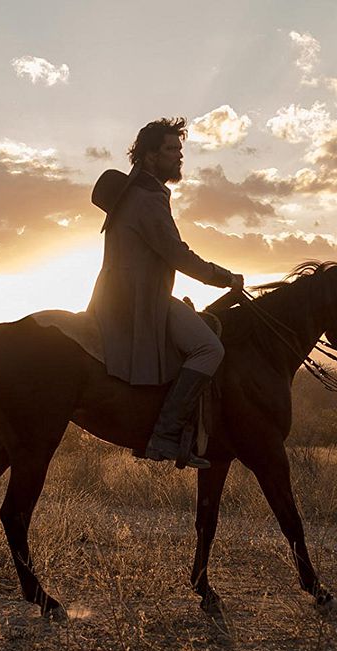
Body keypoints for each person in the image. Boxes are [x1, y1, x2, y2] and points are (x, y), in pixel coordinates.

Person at [88, 117, 244, 469]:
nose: (179, 157)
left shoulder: (135, 193)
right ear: (148, 156)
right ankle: (166, 434)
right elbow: (176, 253)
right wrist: (225, 278)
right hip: (141, 300)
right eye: (171, 150)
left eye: (180, 150)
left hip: (118, 295)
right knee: (209, 348)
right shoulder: (147, 199)